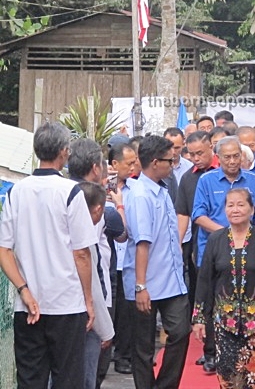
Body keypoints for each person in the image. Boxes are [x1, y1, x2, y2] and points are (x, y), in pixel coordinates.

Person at [0, 121, 97, 389]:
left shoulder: (17, 191)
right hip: (66, 303)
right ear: (65, 152)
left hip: (28, 304)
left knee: (30, 379)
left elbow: (3, 249)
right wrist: (89, 299)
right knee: (68, 379)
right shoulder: (70, 192)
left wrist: (23, 290)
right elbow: (82, 253)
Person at [192, 188, 255, 389]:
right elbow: (205, 282)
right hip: (224, 324)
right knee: (228, 381)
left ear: (252, 209)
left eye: (241, 204)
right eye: (230, 205)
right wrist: (199, 318)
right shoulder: (216, 240)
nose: (235, 210)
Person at [192, 136, 255, 373]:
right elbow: (198, 214)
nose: (233, 161)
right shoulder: (206, 180)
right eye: (227, 157)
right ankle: (212, 352)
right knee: (216, 298)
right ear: (219, 157)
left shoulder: (252, 180)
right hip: (214, 250)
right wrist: (225, 234)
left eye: (237, 156)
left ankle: (247, 349)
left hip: (248, 250)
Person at [123, 135, 190, 389]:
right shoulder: (140, 195)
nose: (172, 165)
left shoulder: (160, 190)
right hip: (146, 283)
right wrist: (140, 286)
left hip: (170, 280)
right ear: (154, 162)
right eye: (169, 161)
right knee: (143, 347)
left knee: (180, 332)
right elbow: (142, 242)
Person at [175, 131, 220, 370]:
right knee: (204, 298)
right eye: (190, 154)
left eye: (199, 153)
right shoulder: (188, 179)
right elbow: (183, 214)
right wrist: (177, 246)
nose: (195, 158)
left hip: (232, 246)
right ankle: (210, 350)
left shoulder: (225, 171)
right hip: (201, 247)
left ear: (211, 147)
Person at [77, 181, 115, 389]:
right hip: (85, 319)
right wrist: (106, 330)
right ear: (98, 209)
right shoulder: (84, 243)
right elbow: (93, 289)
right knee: (86, 377)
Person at [109, 142, 138, 375]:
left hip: (129, 257)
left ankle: (124, 356)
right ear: (114, 164)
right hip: (107, 258)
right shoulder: (99, 189)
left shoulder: (136, 189)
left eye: (134, 162)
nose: (132, 167)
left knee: (127, 312)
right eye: (128, 163)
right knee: (109, 308)